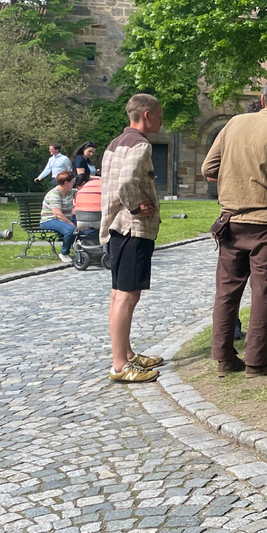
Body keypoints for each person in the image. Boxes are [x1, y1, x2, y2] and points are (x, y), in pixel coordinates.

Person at [203, 78, 267, 378]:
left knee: (226, 291)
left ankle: (224, 358)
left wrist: (233, 183)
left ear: (262, 99)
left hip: (231, 222)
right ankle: (257, 361)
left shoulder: (234, 123)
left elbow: (208, 168)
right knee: (263, 292)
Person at [100, 93, 166, 383]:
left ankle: (125, 354)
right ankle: (119, 365)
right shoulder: (140, 144)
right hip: (131, 227)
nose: (161, 121)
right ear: (147, 115)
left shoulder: (115, 143)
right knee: (126, 296)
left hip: (115, 227)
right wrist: (136, 206)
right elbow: (127, 182)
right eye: (160, 116)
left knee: (120, 293)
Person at [39, 171, 78, 263]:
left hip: (64, 219)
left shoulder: (70, 192)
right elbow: (58, 214)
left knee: (86, 226)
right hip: (50, 220)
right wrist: (71, 224)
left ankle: (86, 250)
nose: (74, 183)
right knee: (71, 230)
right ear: (66, 183)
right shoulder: (54, 194)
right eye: (72, 181)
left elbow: (82, 192)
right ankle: (64, 253)